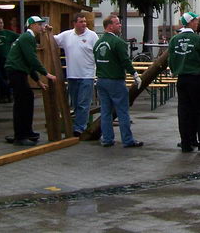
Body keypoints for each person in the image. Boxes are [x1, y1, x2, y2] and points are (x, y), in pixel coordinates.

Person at [5, 16, 57, 146]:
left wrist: (38, 81)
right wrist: (46, 73)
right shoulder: (28, 38)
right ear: (31, 26)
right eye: (38, 24)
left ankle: (26, 132)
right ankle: (20, 136)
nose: (41, 27)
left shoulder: (27, 38)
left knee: (27, 98)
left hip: (19, 71)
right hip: (16, 72)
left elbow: (28, 63)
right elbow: (32, 59)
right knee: (21, 102)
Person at [168, 12, 200, 152]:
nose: (197, 22)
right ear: (190, 22)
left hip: (182, 79)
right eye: (195, 20)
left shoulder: (174, 40)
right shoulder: (197, 39)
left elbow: (171, 61)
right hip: (196, 78)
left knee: (184, 112)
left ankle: (186, 143)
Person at [93, 15, 143, 148]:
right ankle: (127, 140)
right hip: (115, 80)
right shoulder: (118, 42)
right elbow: (125, 61)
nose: (120, 25)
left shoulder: (98, 43)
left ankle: (107, 139)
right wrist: (135, 74)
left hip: (101, 80)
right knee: (122, 111)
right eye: (117, 23)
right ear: (110, 26)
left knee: (105, 112)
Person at [53, 12, 98, 137]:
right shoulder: (67, 35)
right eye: (81, 22)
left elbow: (98, 53)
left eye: (85, 22)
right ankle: (77, 124)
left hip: (87, 75)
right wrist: (45, 31)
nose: (84, 24)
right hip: (72, 75)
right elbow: (53, 40)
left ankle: (79, 128)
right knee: (75, 102)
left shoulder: (92, 36)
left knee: (83, 103)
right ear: (74, 23)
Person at [0, 17, 19, 103]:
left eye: (1, 23)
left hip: (6, 59)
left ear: (3, 24)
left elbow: (20, 38)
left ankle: (8, 96)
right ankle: (3, 95)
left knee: (7, 77)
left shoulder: (8, 33)